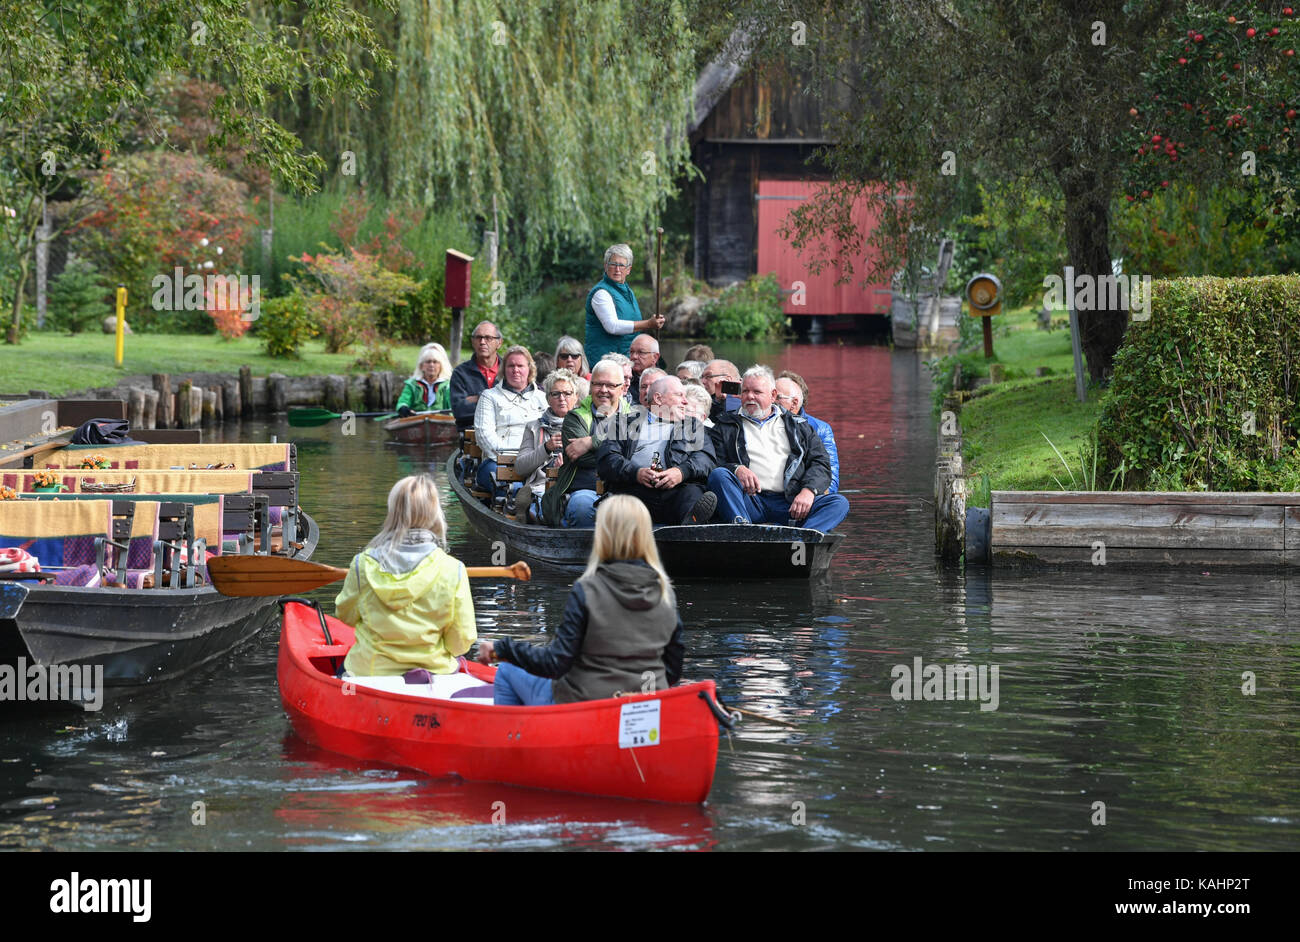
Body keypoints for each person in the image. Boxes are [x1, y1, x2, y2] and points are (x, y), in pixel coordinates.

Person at [476, 495, 685, 705]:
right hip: (646, 707)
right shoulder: (666, 593)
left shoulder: (587, 590)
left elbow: (555, 663)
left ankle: (518, 735)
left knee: (506, 669)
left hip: (585, 705)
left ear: (602, 535)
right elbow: (673, 672)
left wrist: (502, 649)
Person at [336, 475, 475, 676]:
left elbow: (346, 616)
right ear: (435, 514)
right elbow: (461, 641)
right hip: (434, 672)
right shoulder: (454, 569)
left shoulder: (363, 564)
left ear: (393, 512)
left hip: (371, 672)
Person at [707, 366, 849, 532]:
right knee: (720, 475)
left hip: (790, 502)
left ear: (773, 395)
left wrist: (808, 491)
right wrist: (737, 469)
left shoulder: (799, 426)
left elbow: (820, 463)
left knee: (839, 503)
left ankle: (800, 538)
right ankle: (742, 530)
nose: (750, 397)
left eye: (757, 392)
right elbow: (713, 461)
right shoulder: (725, 425)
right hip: (750, 501)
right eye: (745, 391)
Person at [597, 375, 718, 525]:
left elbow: (706, 458)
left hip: (677, 491)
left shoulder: (692, 426)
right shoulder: (623, 423)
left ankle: (692, 528)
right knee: (622, 501)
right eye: (679, 395)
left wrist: (681, 472)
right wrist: (636, 473)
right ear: (658, 399)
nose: (685, 401)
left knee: (692, 494)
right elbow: (607, 459)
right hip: (634, 489)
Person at [540, 359, 630, 527]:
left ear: (622, 388)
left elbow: (638, 454)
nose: (603, 390)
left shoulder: (633, 416)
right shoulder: (575, 417)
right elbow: (580, 458)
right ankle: (581, 552)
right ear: (590, 386)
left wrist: (592, 441)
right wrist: (621, 453)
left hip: (626, 487)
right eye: (598, 384)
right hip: (585, 489)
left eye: (610, 385)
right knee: (581, 507)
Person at [472, 346, 547, 494]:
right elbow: (484, 435)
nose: (515, 370)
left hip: (536, 462)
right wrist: (510, 460)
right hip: (497, 463)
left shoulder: (543, 398)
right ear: (504, 369)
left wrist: (533, 460)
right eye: (511, 366)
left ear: (530, 369)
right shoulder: (489, 396)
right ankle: (517, 504)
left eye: (520, 366)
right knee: (511, 488)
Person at [514, 368, 580, 520]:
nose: (561, 398)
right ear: (548, 398)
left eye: (567, 393)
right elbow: (520, 467)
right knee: (546, 510)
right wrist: (545, 448)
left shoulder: (585, 425)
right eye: (555, 394)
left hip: (575, 486)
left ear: (576, 397)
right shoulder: (533, 426)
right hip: (541, 487)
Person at [584, 243, 665, 362]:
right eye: (613, 264)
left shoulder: (628, 292)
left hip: (626, 361)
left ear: (629, 269)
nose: (617, 269)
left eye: (621, 265)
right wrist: (648, 324)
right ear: (605, 266)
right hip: (605, 363)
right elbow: (612, 326)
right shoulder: (601, 293)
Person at [777, 372, 840, 495]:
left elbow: (831, 477)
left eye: (777, 396)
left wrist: (810, 494)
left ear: (794, 403)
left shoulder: (820, 428)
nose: (771, 400)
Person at [450, 320, 504, 430]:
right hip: (471, 437)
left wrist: (475, 399)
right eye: (478, 337)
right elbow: (460, 411)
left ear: (499, 343)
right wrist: (493, 399)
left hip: (505, 434)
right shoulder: (460, 373)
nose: (483, 342)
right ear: (472, 341)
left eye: (488, 338)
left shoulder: (510, 370)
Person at [628, 334, 661, 405]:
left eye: (641, 352)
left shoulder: (665, 381)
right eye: (631, 352)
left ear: (655, 357)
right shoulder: (626, 381)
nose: (634, 357)